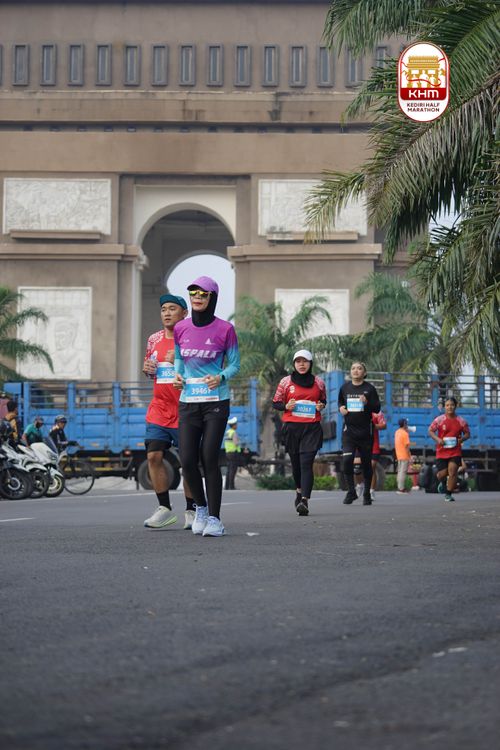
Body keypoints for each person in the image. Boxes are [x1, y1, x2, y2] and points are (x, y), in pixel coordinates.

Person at [173, 276, 240, 537]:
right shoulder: (181, 328)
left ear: (212, 297)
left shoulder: (226, 329)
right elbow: (179, 359)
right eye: (193, 293)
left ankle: (215, 519)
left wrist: (220, 377)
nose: (197, 297)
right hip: (188, 401)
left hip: (216, 402)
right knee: (187, 459)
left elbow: (235, 365)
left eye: (203, 293)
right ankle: (200, 508)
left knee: (209, 456)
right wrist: (178, 376)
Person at [142, 293, 196, 530]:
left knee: (188, 462)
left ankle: (192, 510)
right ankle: (164, 508)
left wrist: (181, 360)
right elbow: (150, 370)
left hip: (185, 408)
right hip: (159, 408)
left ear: (184, 313)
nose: (167, 313)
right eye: (164, 309)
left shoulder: (193, 338)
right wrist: (147, 368)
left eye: (172, 309)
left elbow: (205, 369)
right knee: (153, 456)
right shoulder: (153, 339)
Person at [272, 350, 326, 516]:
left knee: (306, 463)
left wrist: (321, 406)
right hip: (292, 428)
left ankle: (304, 500)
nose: (302, 364)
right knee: (296, 466)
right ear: (294, 364)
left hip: (311, 428)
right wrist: (286, 406)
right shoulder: (285, 382)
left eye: (305, 361)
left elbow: (323, 400)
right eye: (298, 361)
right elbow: (276, 403)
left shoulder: (319, 382)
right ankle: (298, 491)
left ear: (310, 363)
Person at [338, 362, 381, 506]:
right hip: (349, 431)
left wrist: (367, 402)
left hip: (365, 432)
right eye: (353, 368)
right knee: (347, 461)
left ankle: (367, 493)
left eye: (359, 368)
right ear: (350, 372)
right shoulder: (344, 388)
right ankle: (351, 491)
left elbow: (377, 408)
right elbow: (340, 403)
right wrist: (341, 408)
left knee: (366, 464)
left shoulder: (369, 389)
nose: (356, 370)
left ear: (364, 372)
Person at [428, 397, 470, 502]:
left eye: (452, 405)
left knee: (453, 471)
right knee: (442, 474)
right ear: (444, 407)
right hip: (442, 451)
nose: (449, 407)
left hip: (455, 451)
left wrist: (461, 439)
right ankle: (442, 483)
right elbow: (430, 431)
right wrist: (438, 439)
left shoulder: (461, 421)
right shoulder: (439, 420)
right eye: (447, 405)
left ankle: (448, 494)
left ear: (455, 406)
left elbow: (467, 434)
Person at [355, 410, 387, 501]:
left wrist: (373, 426)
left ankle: (371, 491)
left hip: (373, 444)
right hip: (359, 443)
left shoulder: (377, 412)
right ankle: (360, 485)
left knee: (371, 467)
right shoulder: (357, 409)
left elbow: (384, 425)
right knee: (357, 468)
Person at [394, 418, 413, 494]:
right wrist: (410, 456)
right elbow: (407, 447)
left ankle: (399, 487)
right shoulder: (405, 434)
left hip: (398, 455)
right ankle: (401, 489)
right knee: (403, 472)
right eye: (406, 424)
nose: (407, 425)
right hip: (404, 455)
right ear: (404, 424)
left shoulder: (397, 432)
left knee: (399, 471)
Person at [224, 416, 241, 490]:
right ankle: (232, 486)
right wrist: (240, 442)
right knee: (233, 470)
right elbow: (236, 443)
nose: (237, 425)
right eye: (236, 424)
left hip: (228, 452)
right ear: (233, 425)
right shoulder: (233, 433)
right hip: (233, 453)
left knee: (229, 469)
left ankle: (227, 486)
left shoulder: (227, 432)